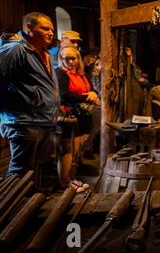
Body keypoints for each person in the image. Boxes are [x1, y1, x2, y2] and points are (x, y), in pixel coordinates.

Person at [0, 12, 60, 182]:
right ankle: (11, 206)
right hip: (24, 121)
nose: (50, 33)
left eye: (52, 30)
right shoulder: (16, 49)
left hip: (42, 120)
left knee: (39, 169)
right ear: (29, 28)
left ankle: (33, 204)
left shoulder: (44, 53)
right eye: (45, 28)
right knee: (20, 170)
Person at [55, 45, 99, 192]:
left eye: (74, 58)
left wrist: (92, 93)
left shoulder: (82, 73)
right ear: (61, 59)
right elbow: (64, 96)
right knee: (67, 150)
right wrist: (87, 97)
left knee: (77, 151)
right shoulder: (60, 73)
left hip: (83, 115)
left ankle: (72, 180)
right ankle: (64, 184)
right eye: (66, 58)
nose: (71, 61)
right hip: (69, 116)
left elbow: (91, 88)